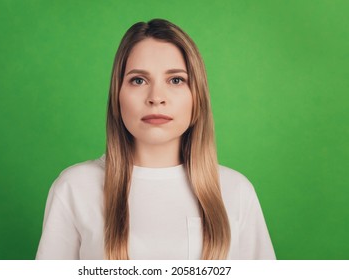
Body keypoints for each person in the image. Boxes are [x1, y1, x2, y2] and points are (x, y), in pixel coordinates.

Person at [35, 19, 276, 260]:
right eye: (139, 80)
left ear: (197, 97)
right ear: (117, 95)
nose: (156, 97)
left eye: (176, 80)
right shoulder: (74, 188)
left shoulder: (235, 191)